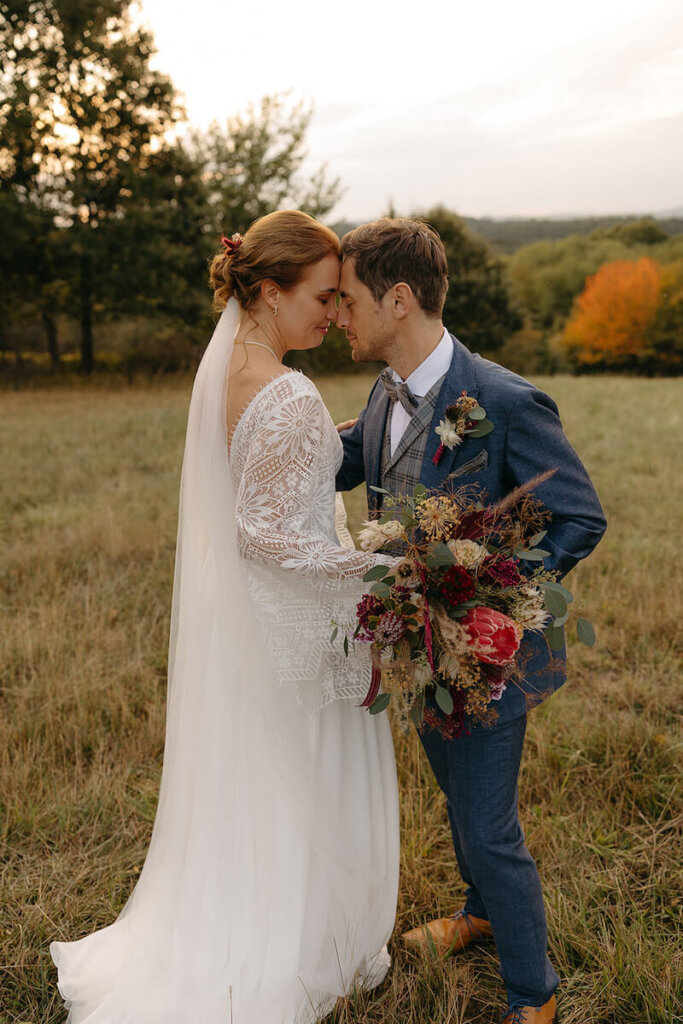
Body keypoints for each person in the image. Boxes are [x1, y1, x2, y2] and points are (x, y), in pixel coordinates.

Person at [50, 210, 400, 1024]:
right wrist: (380, 569)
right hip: (295, 622)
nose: (333, 311)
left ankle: (273, 920)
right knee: (294, 782)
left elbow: (282, 474)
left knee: (267, 781)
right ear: (271, 291)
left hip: (259, 621)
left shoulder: (235, 373)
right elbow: (264, 535)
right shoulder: (282, 389)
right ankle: (286, 946)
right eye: (322, 295)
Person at [335, 217, 607, 1024]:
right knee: (455, 796)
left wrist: (493, 595)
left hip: (490, 653)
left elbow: (579, 516)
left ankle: (535, 993)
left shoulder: (503, 399)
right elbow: (356, 463)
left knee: (488, 826)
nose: (337, 316)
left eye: (346, 300)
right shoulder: (385, 391)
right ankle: (477, 913)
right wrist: (262, 421)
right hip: (417, 649)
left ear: (397, 298)